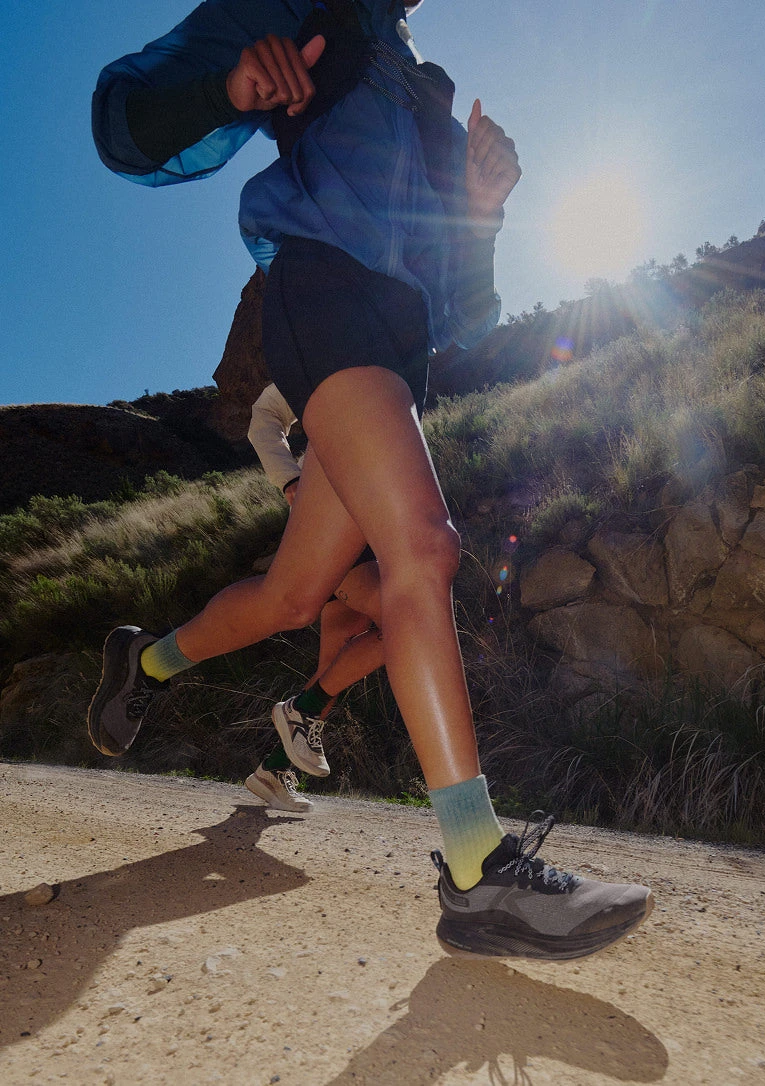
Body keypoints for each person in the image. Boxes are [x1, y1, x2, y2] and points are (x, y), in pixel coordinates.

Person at [88, 0, 653, 959]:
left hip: (396, 342)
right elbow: (125, 129)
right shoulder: (297, 7)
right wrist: (229, 88)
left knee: (291, 595)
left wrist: (485, 206)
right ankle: (477, 869)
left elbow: (469, 310)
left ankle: (143, 664)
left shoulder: (428, 92)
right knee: (422, 548)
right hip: (321, 290)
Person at [244, 381, 386, 813]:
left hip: (369, 526)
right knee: (408, 623)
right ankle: (299, 711)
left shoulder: (401, 362)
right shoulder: (329, 357)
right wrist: (289, 479)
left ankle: (272, 771)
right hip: (337, 526)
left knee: (333, 669)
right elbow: (264, 415)